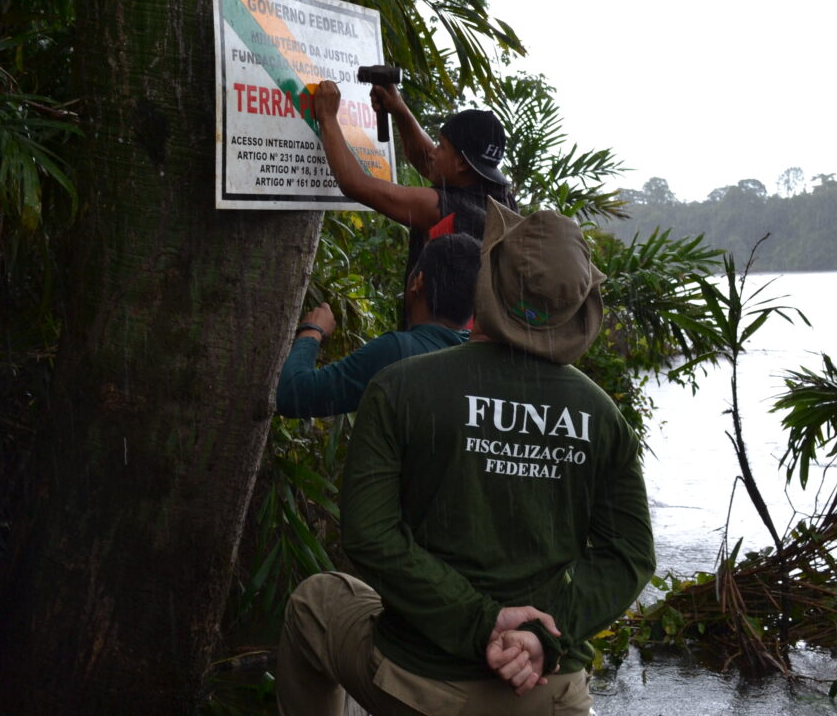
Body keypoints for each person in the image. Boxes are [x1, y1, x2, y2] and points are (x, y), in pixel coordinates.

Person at [277, 199, 655, 716]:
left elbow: (370, 536)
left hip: (424, 684)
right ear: (578, 310)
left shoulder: (401, 387)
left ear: (488, 280)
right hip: (551, 690)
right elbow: (630, 555)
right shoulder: (602, 413)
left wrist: (483, 622)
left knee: (315, 602)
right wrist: (541, 637)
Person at [310, 80, 518, 282]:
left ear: (462, 163)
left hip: (436, 317)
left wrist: (327, 117)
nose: (434, 153)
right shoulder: (501, 201)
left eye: (442, 146)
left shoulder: (441, 208)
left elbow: (354, 183)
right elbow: (428, 162)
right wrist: (398, 107)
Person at [277, 233, 480, 418]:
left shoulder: (398, 352)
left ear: (418, 281)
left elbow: (294, 395)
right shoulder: (478, 361)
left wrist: (312, 331)